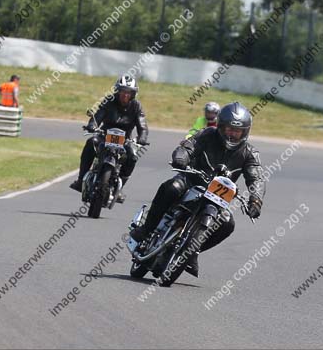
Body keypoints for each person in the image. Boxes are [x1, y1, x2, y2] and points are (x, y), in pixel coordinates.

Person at [130, 102, 264, 277]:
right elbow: (188, 146)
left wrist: (256, 199)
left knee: (227, 224)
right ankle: (147, 229)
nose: (232, 134)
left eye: (237, 131)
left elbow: (257, 177)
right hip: (192, 180)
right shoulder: (208, 134)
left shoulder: (249, 153)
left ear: (245, 132)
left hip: (217, 196)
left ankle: (193, 250)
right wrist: (181, 157)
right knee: (171, 187)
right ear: (221, 127)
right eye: (229, 129)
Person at [69, 75, 149, 203]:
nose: (125, 95)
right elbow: (98, 115)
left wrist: (142, 138)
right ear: (118, 91)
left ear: (133, 94)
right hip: (104, 136)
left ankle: (120, 187)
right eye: (123, 91)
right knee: (90, 143)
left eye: (129, 92)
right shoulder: (109, 101)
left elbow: (142, 125)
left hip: (125, 140)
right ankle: (80, 180)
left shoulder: (136, 106)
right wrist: (92, 126)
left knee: (133, 156)